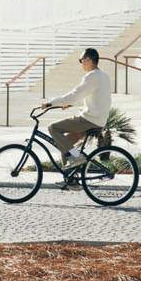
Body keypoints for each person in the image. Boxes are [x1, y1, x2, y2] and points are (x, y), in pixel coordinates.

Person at [43, 47, 111, 186]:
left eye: (81, 61)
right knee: (64, 144)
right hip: (98, 119)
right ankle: (71, 181)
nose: (81, 64)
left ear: (88, 60)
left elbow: (75, 94)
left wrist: (51, 103)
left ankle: (76, 157)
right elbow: (92, 96)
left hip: (89, 119)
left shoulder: (92, 76)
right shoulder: (103, 75)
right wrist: (71, 104)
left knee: (53, 128)